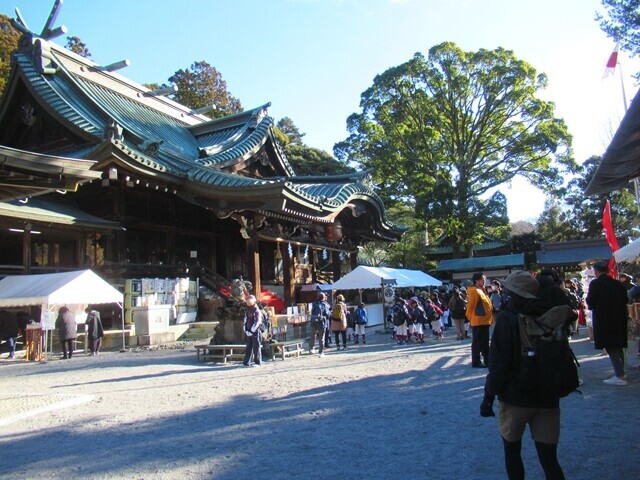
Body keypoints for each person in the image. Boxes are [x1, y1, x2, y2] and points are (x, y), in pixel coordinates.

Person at [481, 270, 568, 480]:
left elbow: (499, 363)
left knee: (512, 452)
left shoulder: (508, 318)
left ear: (515, 294)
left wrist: (488, 397)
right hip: (548, 396)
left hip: (515, 396)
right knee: (549, 459)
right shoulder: (551, 315)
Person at [585, 261, 629, 385]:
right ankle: (621, 371)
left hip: (604, 318)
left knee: (610, 346)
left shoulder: (595, 284)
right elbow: (625, 299)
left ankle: (619, 375)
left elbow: (590, 302)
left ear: (596, 271)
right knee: (618, 344)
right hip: (619, 317)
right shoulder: (617, 284)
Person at [466, 272, 493, 368]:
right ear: (477, 280)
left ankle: (487, 360)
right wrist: (469, 316)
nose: (484, 280)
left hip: (484, 320)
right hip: (478, 320)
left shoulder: (481, 289)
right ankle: (476, 361)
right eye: (483, 279)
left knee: (485, 341)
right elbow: (471, 305)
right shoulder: (474, 290)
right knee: (478, 342)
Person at [242, 295, 264, 367]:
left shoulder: (257, 311)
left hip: (256, 332)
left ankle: (257, 362)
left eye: (249, 300)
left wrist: (252, 330)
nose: (248, 302)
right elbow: (244, 321)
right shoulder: (247, 311)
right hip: (249, 332)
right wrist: (246, 330)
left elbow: (258, 322)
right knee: (248, 347)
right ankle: (246, 361)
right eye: (247, 301)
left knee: (256, 347)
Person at [309, 292, 331, 356]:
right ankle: (320, 352)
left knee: (313, 336)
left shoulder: (314, 304)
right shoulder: (325, 304)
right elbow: (328, 314)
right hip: (322, 322)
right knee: (322, 338)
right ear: (323, 298)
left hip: (313, 322)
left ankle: (311, 349)